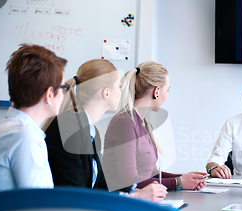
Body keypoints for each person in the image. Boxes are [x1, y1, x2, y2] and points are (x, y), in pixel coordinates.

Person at [43, 59, 167, 201]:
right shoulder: (69, 127)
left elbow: (99, 184)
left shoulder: (91, 131)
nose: (122, 93)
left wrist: (133, 191)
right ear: (106, 93)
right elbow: (74, 195)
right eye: (118, 87)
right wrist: (134, 197)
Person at [0, 44, 67, 194]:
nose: (64, 95)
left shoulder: (11, 127)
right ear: (49, 94)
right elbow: (39, 204)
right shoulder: (24, 135)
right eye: (63, 88)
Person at [103, 61, 207, 192]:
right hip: (124, 202)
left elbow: (151, 173)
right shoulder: (124, 123)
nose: (167, 96)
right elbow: (130, 181)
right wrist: (178, 182)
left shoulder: (143, 123)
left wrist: (185, 178)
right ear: (156, 91)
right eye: (167, 90)